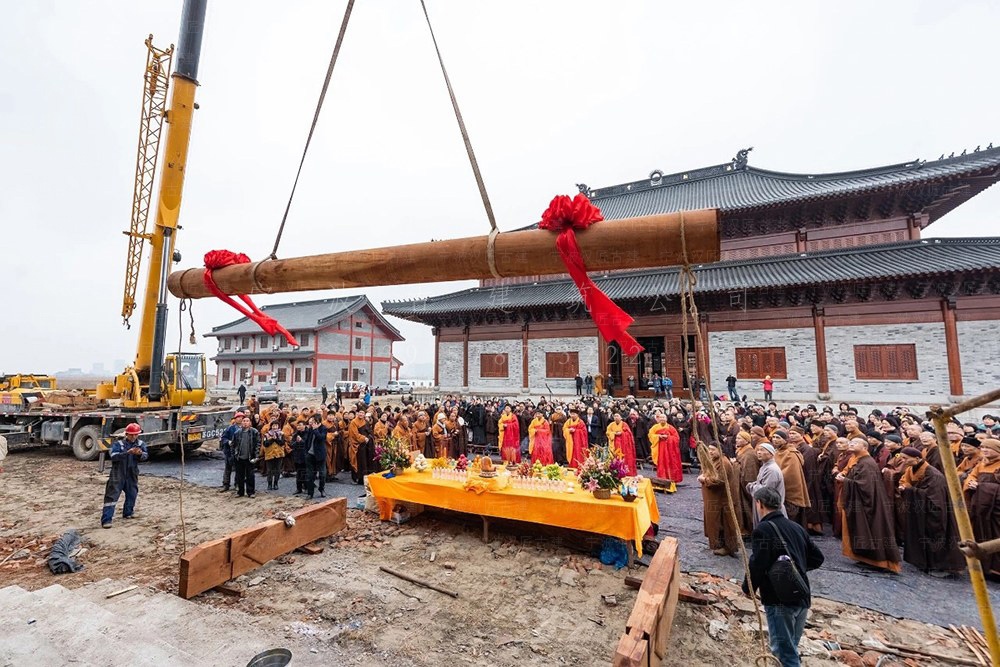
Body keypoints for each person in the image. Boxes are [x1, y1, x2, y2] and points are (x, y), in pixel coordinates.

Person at [742, 486, 825, 667]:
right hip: (801, 594)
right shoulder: (796, 527)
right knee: (791, 647)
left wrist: (748, 588)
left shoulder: (763, 529)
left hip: (779, 599)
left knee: (784, 653)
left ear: (759, 504)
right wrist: (796, 570)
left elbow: (758, 563)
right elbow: (818, 558)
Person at [897, 446, 965, 575]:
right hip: (921, 509)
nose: (903, 461)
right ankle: (924, 562)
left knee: (936, 535)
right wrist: (905, 487)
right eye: (902, 458)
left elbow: (934, 497)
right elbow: (907, 482)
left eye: (906, 458)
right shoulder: (912, 469)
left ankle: (940, 566)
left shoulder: (933, 475)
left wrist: (909, 490)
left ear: (917, 458)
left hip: (935, 511)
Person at [838, 437, 901, 573]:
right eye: (851, 442)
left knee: (873, 530)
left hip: (869, 504)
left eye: (855, 443)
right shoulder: (859, 460)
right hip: (861, 501)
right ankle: (865, 558)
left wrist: (846, 480)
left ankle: (879, 561)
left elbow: (865, 486)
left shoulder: (867, 463)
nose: (851, 444)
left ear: (865, 447)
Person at [963, 438, 1000, 577]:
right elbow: (971, 476)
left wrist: (982, 487)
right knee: (981, 533)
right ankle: (984, 566)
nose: (984, 450)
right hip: (981, 507)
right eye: (983, 447)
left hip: (996, 509)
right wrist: (971, 482)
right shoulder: (981, 464)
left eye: (988, 448)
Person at [100, 423, 148, 528]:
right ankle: (106, 520)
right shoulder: (118, 444)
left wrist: (139, 454)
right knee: (112, 496)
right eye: (131, 435)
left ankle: (128, 513)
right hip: (118, 473)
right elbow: (113, 456)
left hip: (132, 473)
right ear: (126, 434)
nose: (133, 437)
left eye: (136, 434)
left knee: (132, 493)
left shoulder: (140, 444)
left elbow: (145, 456)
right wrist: (127, 453)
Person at [699, 442, 742, 556]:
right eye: (709, 449)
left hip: (722, 500)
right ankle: (719, 543)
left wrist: (704, 479)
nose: (710, 452)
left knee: (724, 523)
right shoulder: (714, 461)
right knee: (716, 522)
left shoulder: (724, 463)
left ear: (720, 450)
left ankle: (727, 547)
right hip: (714, 499)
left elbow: (718, 480)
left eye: (713, 449)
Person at [747, 443, 786, 525]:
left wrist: (751, 487)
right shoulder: (765, 467)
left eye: (762, 450)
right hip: (764, 507)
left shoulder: (771, 470)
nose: (759, 452)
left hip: (770, 509)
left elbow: (765, 492)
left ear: (771, 454)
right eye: (758, 450)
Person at [648, 412, 682, 483]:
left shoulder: (671, 428)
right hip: (660, 449)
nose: (662, 419)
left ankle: (672, 479)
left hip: (670, 450)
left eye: (663, 417)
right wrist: (658, 436)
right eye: (661, 418)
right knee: (661, 463)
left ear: (666, 419)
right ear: (658, 419)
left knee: (670, 463)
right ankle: (662, 479)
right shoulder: (655, 427)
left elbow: (676, 438)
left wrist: (668, 437)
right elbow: (650, 435)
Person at [232, 415, 260, 498]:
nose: (245, 422)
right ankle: (240, 492)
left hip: (250, 457)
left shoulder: (254, 432)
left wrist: (256, 456)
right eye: (244, 421)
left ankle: (251, 492)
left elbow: (258, 445)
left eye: (247, 421)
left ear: (250, 423)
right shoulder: (237, 432)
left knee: (250, 476)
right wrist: (234, 455)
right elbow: (233, 445)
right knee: (239, 476)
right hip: (239, 458)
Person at [218, 411, 244, 493]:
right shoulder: (230, 428)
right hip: (229, 452)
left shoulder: (245, 429)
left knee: (239, 470)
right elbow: (223, 438)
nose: (240, 419)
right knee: (228, 469)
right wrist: (228, 442)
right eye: (238, 417)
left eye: (242, 418)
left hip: (240, 452)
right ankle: (226, 485)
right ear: (235, 419)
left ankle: (237, 485)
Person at [305, 414, 327, 497]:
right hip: (310, 455)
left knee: (322, 474)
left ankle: (322, 489)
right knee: (310, 475)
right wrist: (306, 452)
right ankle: (310, 493)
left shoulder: (323, 428)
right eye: (311, 422)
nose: (312, 423)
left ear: (318, 421)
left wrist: (316, 430)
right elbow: (307, 441)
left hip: (320, 455)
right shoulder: (310, 429)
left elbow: (321, 438)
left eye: (314, 422)